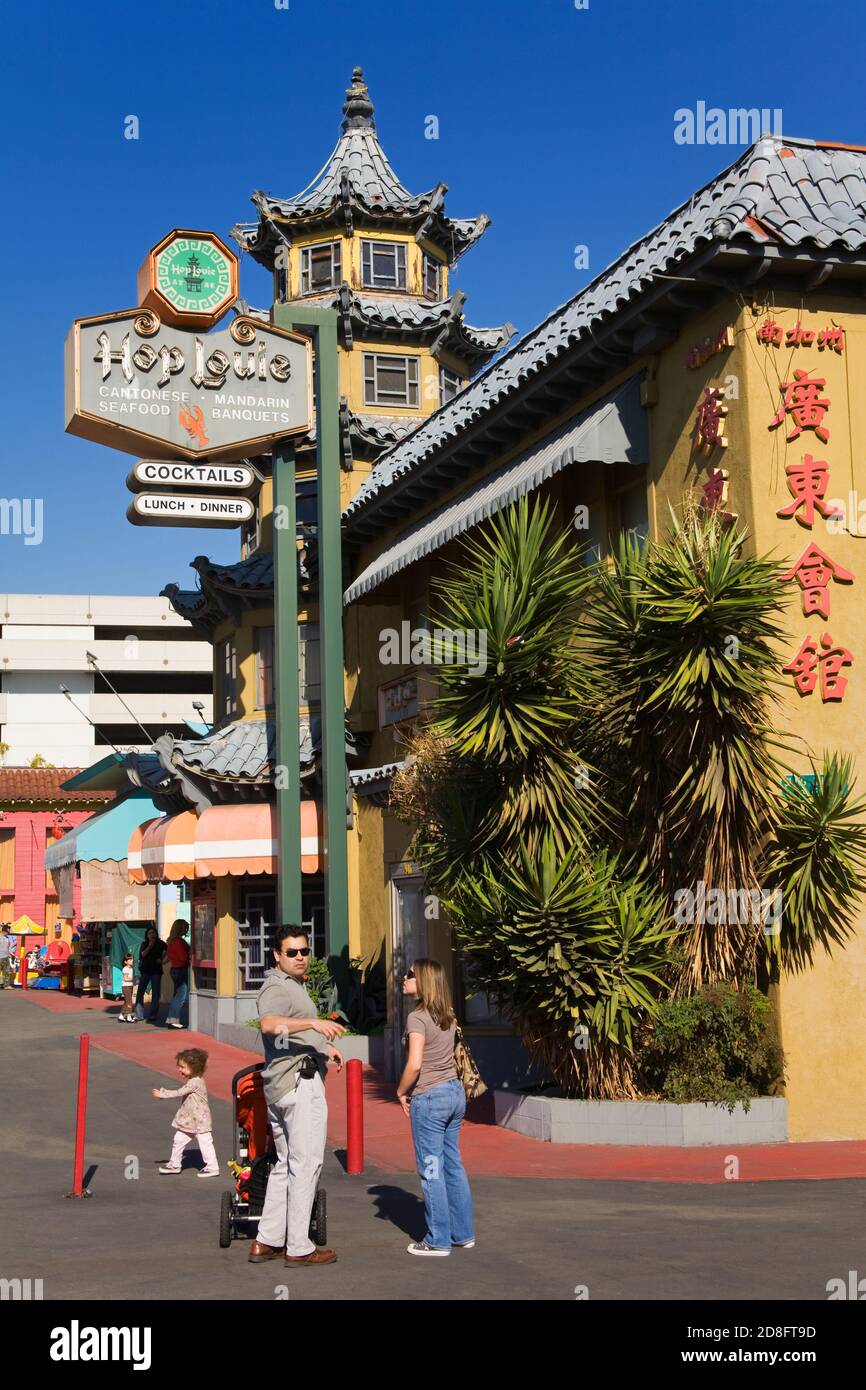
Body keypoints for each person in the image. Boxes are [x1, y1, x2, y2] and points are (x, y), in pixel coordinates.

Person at [250, 924, 345, 1267]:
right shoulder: (277, 987)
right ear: (277, 955)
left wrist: (324, 1046)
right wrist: (315, 1025)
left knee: (286, 1164)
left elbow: (289, 1031)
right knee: (306, 1164)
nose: (301, 958)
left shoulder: (291, 985)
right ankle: (300, 1247)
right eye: (292, 953)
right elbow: (270, 1024)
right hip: (298, 1086)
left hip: (286, 1083)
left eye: (305, 951)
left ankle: (268, 1240)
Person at [397, 958, 475, 1257]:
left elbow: (415, 1064)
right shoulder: (448, 1016)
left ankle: (438, 1239)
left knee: (431, 1169)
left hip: (429, 1098)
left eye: (410, 975)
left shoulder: (417, 1018)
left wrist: (401, 1091)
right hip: (454, 1094)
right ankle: (463, 1233)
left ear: (424, 982)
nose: (404, 978)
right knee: (452, 1164)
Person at [152, 1048, 219, 1177]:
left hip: (200, 1121)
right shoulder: (193, 1081)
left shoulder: (195, 1082)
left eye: (182, 1067)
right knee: (178, 1139)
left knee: (205, 1143)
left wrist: (162, 1093)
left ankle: (212, 1167)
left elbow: (179, 1092)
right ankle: (174, 1164)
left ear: (194, 1067)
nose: (180, 1070)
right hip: (190, 1121)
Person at [135, 926, 166, 1022]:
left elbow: (168, 951)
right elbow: (142, 955)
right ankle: (139, 1014)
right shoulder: (144, 944)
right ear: (147, 935)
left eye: (153, 933)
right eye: (150, 933)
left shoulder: (161, 944)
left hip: (156, 971)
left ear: (156, 934)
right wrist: (149, 946)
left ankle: (153, 1015)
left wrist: (163, 961)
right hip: (145, 971)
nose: (152, 935)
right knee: (140, 992)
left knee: (155, 993)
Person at [164, 920, 190, 1030]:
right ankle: (174, 1020)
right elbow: (183, 958)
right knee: (180, 996)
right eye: (185, 927)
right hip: (180, 970)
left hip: (174, 969)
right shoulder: (179, 942)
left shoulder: (172, 941)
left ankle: (171, 1019)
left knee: (176, 996)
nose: (186, 929)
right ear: (180, 928)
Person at [119, 953, 137, 1023]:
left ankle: (121, 1015)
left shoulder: (131, 969)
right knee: (129, 1002)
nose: (132, 960)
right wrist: (133, 979)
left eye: (132, 959)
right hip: (126, 987)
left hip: (129, 986)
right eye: (129, 959)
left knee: (126, 1002)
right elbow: (125, 978)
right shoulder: (125, 969)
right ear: (125, 962)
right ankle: (129, 1017)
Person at [0, 925, 12, 989]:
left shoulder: (7, 937)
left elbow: (7, 947)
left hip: (6, 956)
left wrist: (8, 953)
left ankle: (6, 985)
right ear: (4, 931)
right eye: (8, 931)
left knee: (7, 971)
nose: (8, 932)